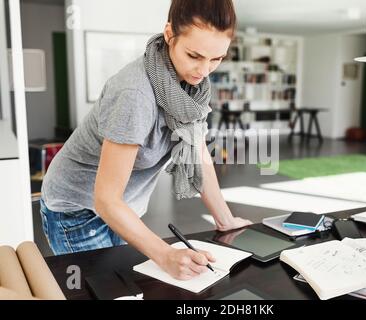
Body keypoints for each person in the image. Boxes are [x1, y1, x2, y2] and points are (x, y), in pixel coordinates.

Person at [40, 0, 252, 280]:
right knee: (104, 290)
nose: (204, 70)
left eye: (216, 59)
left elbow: (197, 154)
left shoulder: (193, 91)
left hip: (122, 208)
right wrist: (165, 255)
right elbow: (106, 200)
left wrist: (225, 220)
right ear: (169, 34)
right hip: (78, 211)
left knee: (124, 285)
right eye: (194, 55)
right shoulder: (135, 94)